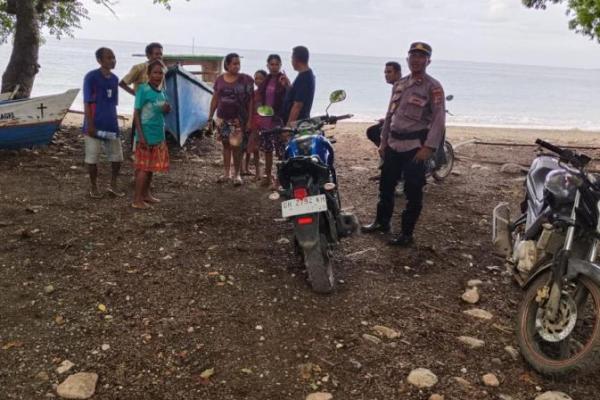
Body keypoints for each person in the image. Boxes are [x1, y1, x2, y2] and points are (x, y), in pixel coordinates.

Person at [361, 42, 445, 247]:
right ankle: (382, 223)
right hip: (393, 144)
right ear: (407, 60)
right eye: (412, 56)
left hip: (415, 148)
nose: (416, 60)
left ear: (428, 61)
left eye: (421, 56)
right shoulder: (400, 84)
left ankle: (407, 233)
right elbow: (390, 115)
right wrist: (383, 141)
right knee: (386, 186)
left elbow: (438, 120)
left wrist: (429, 147)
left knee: (413, 192)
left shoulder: (433, 87)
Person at [83, 47, 124, 199]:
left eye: (113, 57)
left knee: (117, 157)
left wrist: (115, 123)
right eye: (108, 57)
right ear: (99, 60)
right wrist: (90, 125)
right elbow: (87, 103)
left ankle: (113, 184)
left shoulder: (114, 79)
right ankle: (94, 187)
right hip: (94, 125)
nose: (113, 60)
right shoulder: (91, 77)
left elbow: (113, 103)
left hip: (111, 124)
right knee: (92, 158)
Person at [208, 53, 254, 186]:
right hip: (222, 119)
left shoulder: (246, 80)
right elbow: (215, 98)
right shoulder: (219, 80)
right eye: (234, 63)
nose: (237, 66)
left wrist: (250, 119)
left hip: (238, 119)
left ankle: (237, 174)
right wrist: (210, 116)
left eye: (238, 63)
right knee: (226, 145)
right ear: (227, 64)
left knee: (237, 147)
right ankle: (227, 173)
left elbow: (251, 101)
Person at [132, 60, 171, 209]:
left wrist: (167, 109)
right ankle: (137, 200)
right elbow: (137, 113)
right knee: (143, 168)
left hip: (158, 134)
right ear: (148, 74)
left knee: (151, 168)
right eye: (155, 72)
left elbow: (162, 112)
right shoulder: (143, 90)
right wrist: (140, 136)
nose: (158, 75)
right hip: (146, 134)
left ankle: (146, 194)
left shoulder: (161, 92)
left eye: (161, 73)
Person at [119, 42, 164, 152]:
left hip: (156, 111)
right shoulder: (139, 68)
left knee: (153, 139)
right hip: (141, 108)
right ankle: (136, 154)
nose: (159, 56)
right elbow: (123, 83)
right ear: (148, 55)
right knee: (138, 134)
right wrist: (137, 94)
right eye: (156, 54)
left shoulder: (162, 69)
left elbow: (161, 88)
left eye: (160, 54)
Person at [256, 54, 289, 188]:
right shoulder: (266, 80)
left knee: (280, 151)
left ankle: (279, 180)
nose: (274, 67)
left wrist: (287, 84)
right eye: (272, 64)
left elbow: (290, 96)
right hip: (266, 120)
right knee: (267, 149)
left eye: (277, 64)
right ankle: (268, 176)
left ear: (280, 65)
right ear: (267, 65)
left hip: (278, 120)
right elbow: (259, 96)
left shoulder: (283, 79)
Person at [366, 61, 402, 148]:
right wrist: (386, 119)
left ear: (398, 73)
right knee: (372, 131)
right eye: (385, 72)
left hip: (401, 125)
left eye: (389, 72)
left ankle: (386, 151)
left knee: (373, 132)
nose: (386, 75)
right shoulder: (396, 86)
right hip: (395, 121)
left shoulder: (401, 86)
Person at [242, 69, 267, 179]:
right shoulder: (254, 93)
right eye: (256, 78)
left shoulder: (269, 93)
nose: (258, 80)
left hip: (266, 123)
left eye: (261, 78)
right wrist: (248, 122)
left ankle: (264, 173)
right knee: (254, 148)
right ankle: (255, 172)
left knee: (264, 149)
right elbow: (250, 108)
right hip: (254, 123)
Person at [282, 46, 315, 126]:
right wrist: (288, 86)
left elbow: (298, 105)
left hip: (298, 125)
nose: (291, 61)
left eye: (292, 58)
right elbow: (297, 94)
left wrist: (288, 126)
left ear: (296, 60)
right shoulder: (304, 75)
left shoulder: (304, 78)